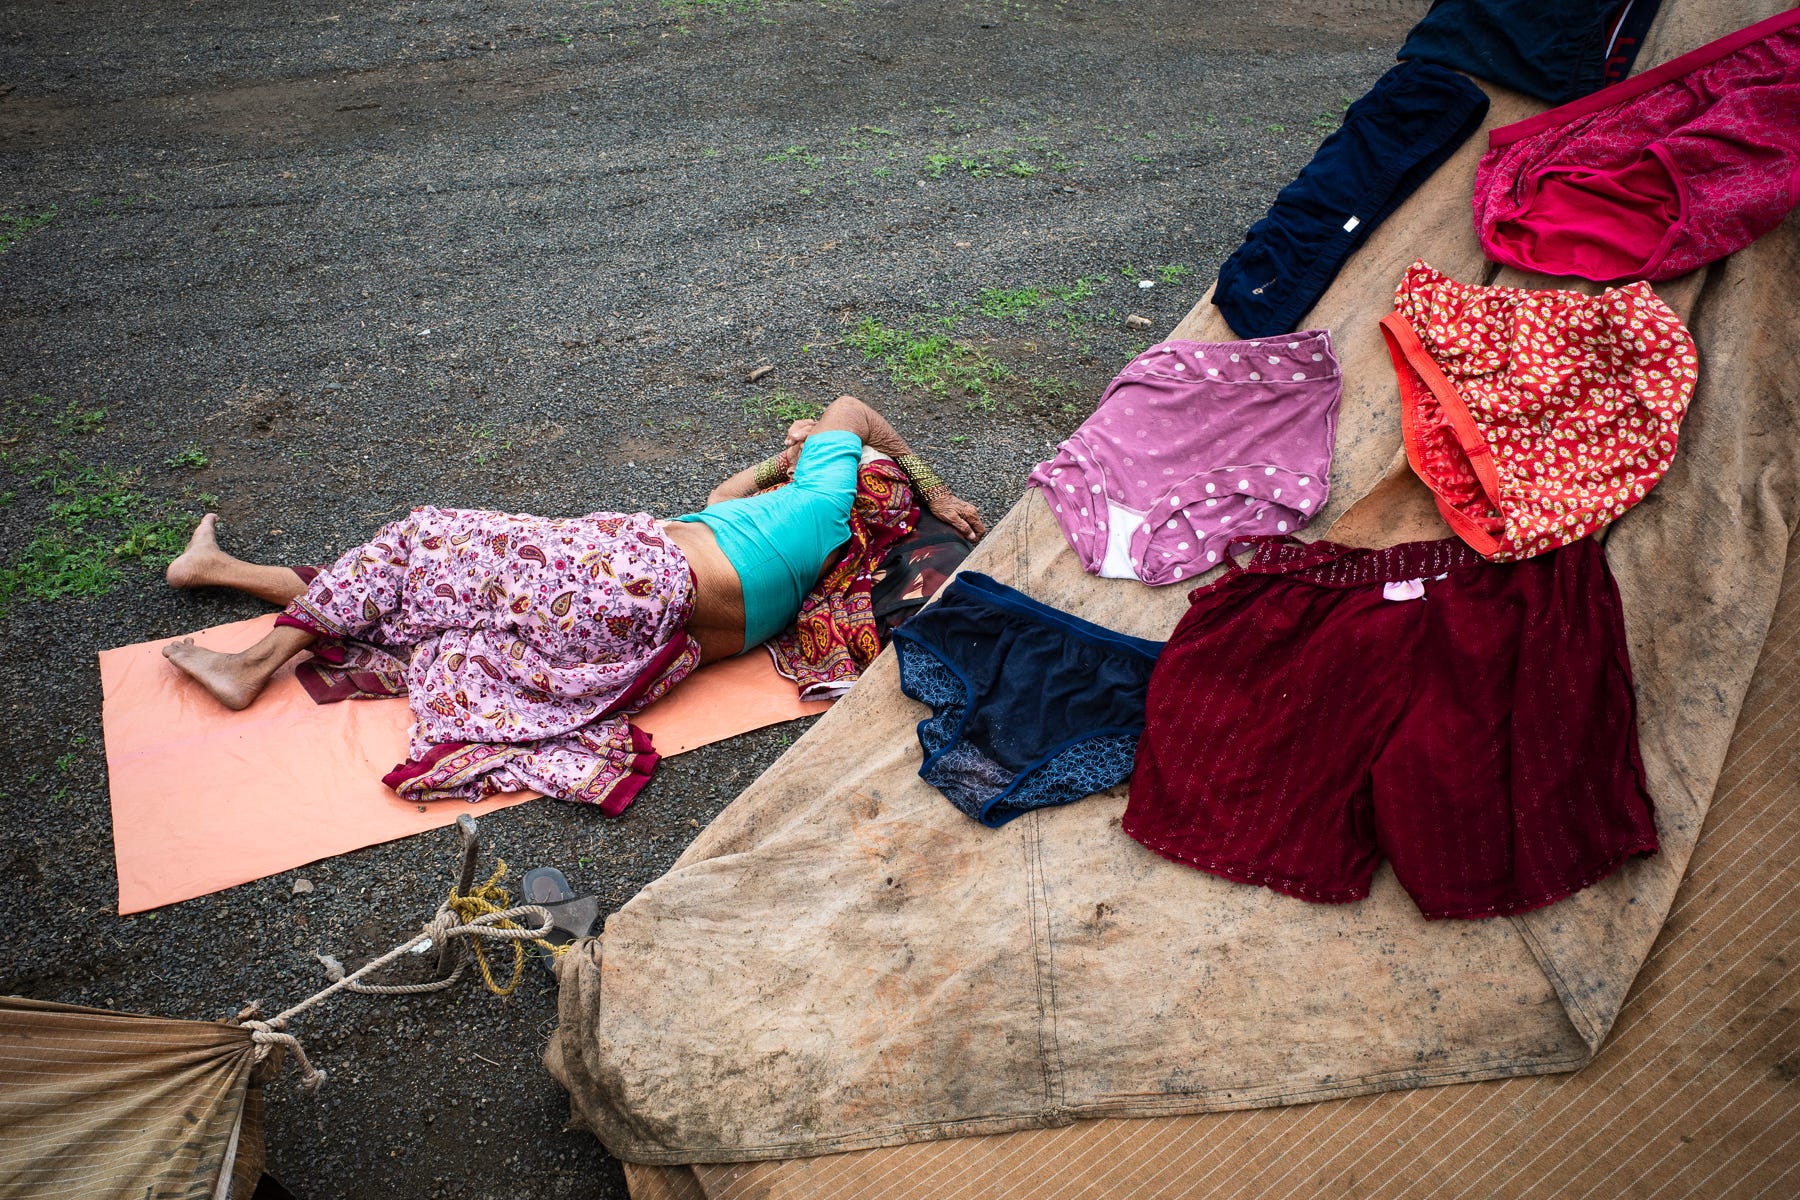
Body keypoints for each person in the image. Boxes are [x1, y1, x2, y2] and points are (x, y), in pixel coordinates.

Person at [159, 395, 987, 806]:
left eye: (811, 447)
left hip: (636, 578)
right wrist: (791, 456)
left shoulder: (817, 505)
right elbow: (723, 494)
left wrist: (930, 484)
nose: (798, 436)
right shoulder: (794, 533)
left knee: (425, 536)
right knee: (429, 598)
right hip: (648, 633)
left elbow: (852, 408)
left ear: (845, 479)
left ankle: (253, 664)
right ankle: (219, 570)